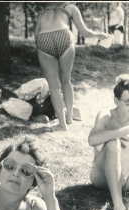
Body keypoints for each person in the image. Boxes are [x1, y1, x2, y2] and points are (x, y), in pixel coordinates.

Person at [35, 2, 111, 131]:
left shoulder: (44, 11)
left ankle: (62, 125)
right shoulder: (70, 7)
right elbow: (85, 33)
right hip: (64, 35)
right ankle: (69, 117)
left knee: (54, 86)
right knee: (66, 80)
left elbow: (36, 36)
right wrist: (100, 35)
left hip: (43, 37)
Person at [88, 74, 129, 210]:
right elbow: (92, 139)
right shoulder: (106, 114)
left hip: (125, 180)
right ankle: (119, 208)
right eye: (128, 102)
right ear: (116, 101)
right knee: (113, 143)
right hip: (101, 177)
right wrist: (122, 132)